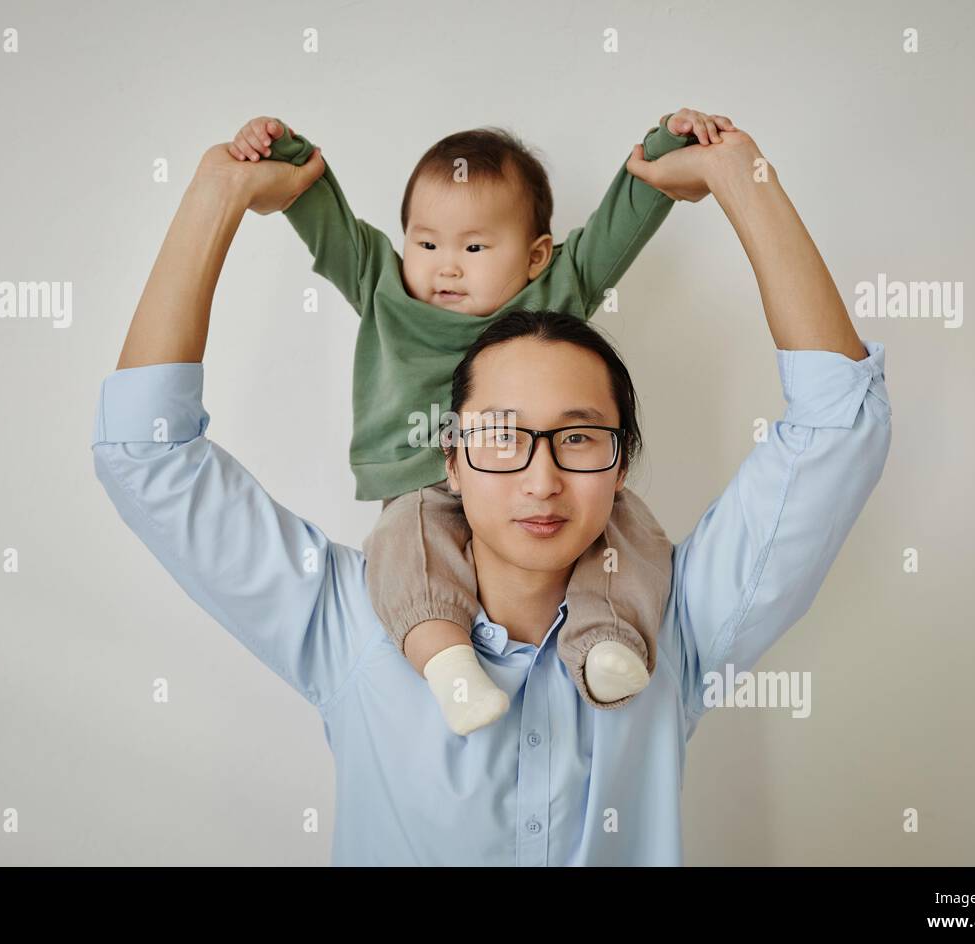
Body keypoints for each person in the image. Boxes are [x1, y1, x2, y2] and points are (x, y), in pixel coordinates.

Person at [91, 118, 892, 865]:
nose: (541, 480)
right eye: (501, 437)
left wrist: (740, 176)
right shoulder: (350, 624)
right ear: (449, 457)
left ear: (620, 465)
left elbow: (837, 429)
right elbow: (148, 458)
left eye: (578, 438)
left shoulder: (674, 630)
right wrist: (213, 196)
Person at [226, 110, 709, 732]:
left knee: (626, 527)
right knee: (404, 547)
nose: (446, 266)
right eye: (426, 243)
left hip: (544, 478)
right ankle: (447, 662)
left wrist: (670, 143)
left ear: (537, 256)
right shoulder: (383, 285)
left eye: (475, 247)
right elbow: (325, 217)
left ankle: (608, 641)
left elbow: (622, 220)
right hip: (420, 484)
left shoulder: (556, 288)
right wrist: (282, 153)